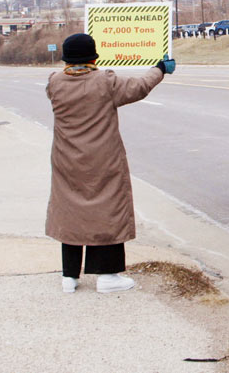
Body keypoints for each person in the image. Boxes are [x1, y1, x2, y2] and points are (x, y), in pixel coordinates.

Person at [45, 33, 175, 294]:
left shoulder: (54, 83)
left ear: (66, 58)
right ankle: (107, 276)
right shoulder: (105, 82)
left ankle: (69, 276)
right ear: (95, 56)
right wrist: (160, 69)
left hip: (66, 160)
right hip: (102, 161)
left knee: (70, 211)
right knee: (107, 211)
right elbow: (140, 86)